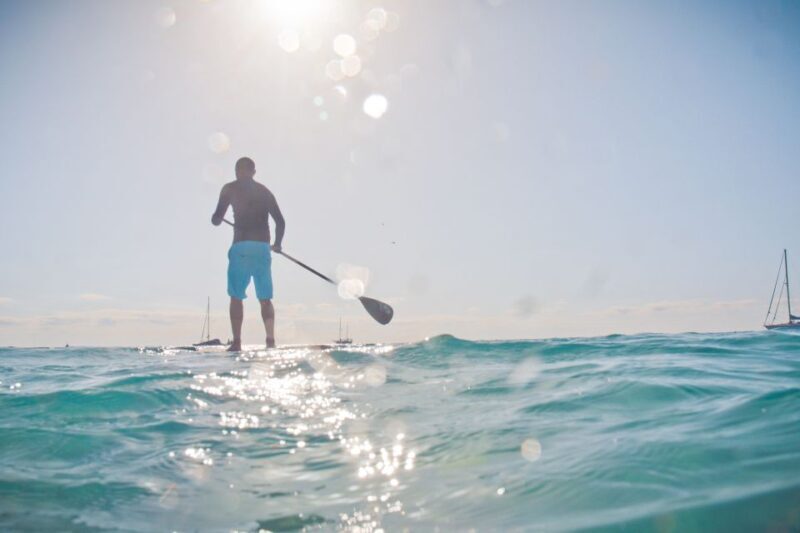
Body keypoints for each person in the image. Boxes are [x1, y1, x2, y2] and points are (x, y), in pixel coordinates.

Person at [211, 157, 285, 350]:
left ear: (237, 171)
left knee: (236, 297)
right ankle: (270, 341)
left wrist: (217, 218)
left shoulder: (229, 188)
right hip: (261, 248)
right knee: (265, 298)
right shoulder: (264, 191)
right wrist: (277, 244)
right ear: (254, 171)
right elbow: (280, 221)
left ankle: (236, 342)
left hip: (241, 247)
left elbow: (216, 219)